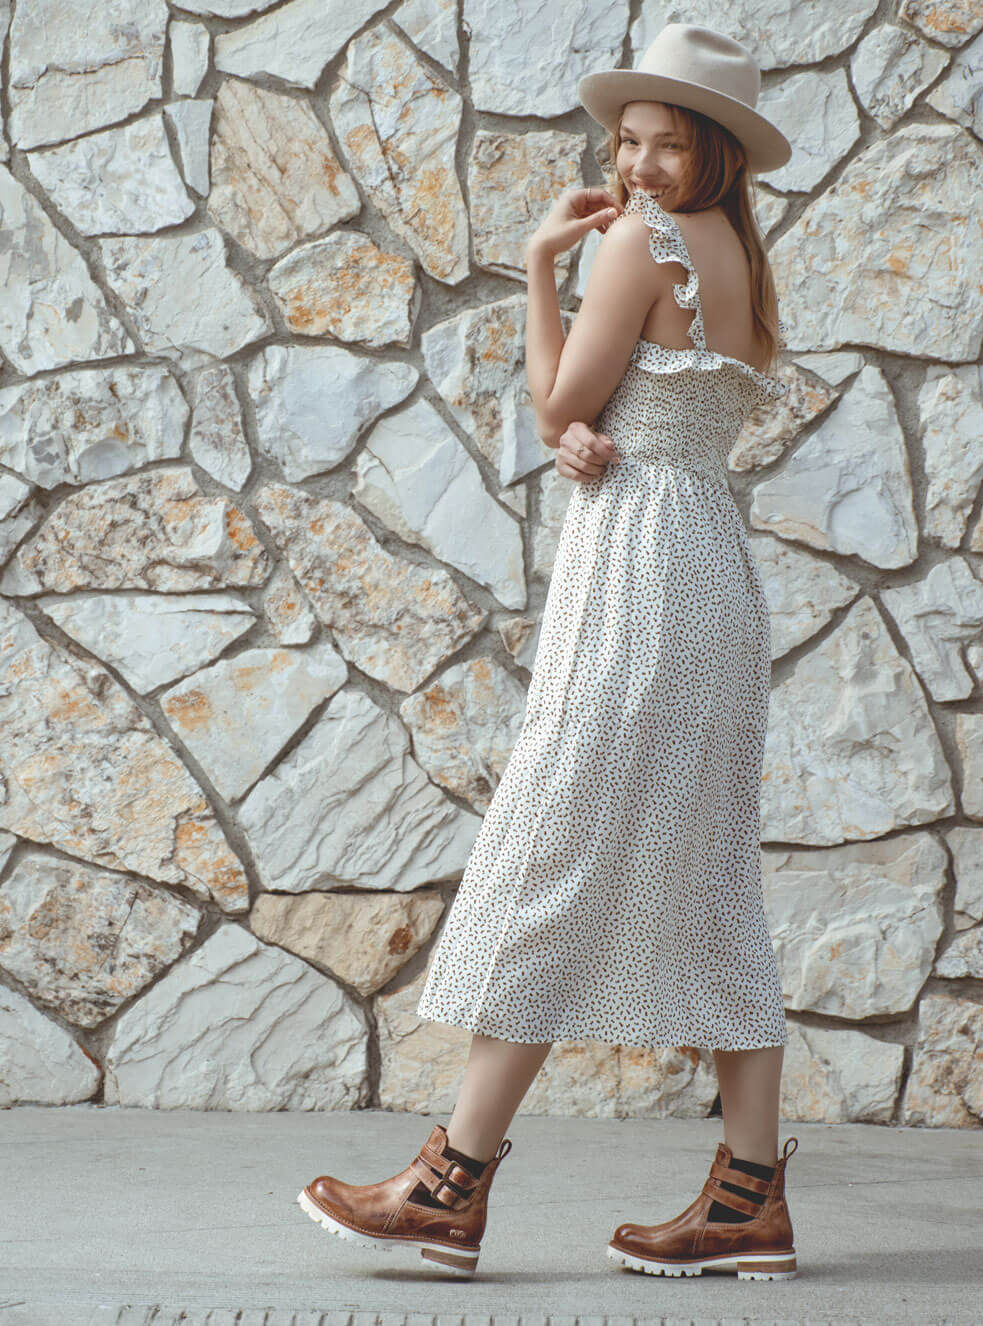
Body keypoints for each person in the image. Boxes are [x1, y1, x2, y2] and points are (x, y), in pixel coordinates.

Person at [297, 22, 801, 1283]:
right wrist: (591, 429)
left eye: (666, 144)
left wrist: (536, 271)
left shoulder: (636, 244)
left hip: (639, 578)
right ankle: (748, 1197)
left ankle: (450, 1182)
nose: (635, 167)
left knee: (549, 851)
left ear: (719, 151)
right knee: (707, 881)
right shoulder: (739, 250)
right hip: (706, 570)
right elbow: (639, 410)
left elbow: (562, 403)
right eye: (625, 141)